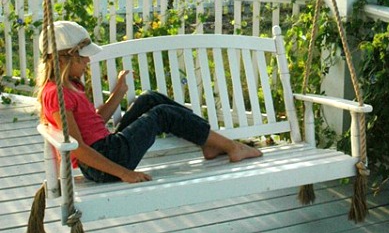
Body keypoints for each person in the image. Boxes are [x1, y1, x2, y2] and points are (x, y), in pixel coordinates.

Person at [37, 20, 262, 184]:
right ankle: (232, 147)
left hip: (108, 149)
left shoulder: (71, 85)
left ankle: (210, 144)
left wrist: (119, 92)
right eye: (82, 56)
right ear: (62, 59)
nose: (87, 60)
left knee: (149, 99)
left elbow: (94, 123)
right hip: (105, 163)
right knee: (162, 113)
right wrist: (124, 173)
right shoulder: (57, 94)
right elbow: (78, 149)